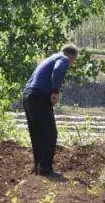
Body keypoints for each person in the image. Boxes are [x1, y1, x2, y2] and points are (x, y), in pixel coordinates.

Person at [23, 44, 79, 178]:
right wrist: (55, 92)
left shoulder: (50, 58)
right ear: (71, 56)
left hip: (27, 96)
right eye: (74, 61)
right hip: (39, 96)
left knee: (37, 133)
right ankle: (45, 169)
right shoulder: (63, 59)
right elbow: (58, 70)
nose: (71, 64)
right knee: (50, 133)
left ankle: (38, 167)